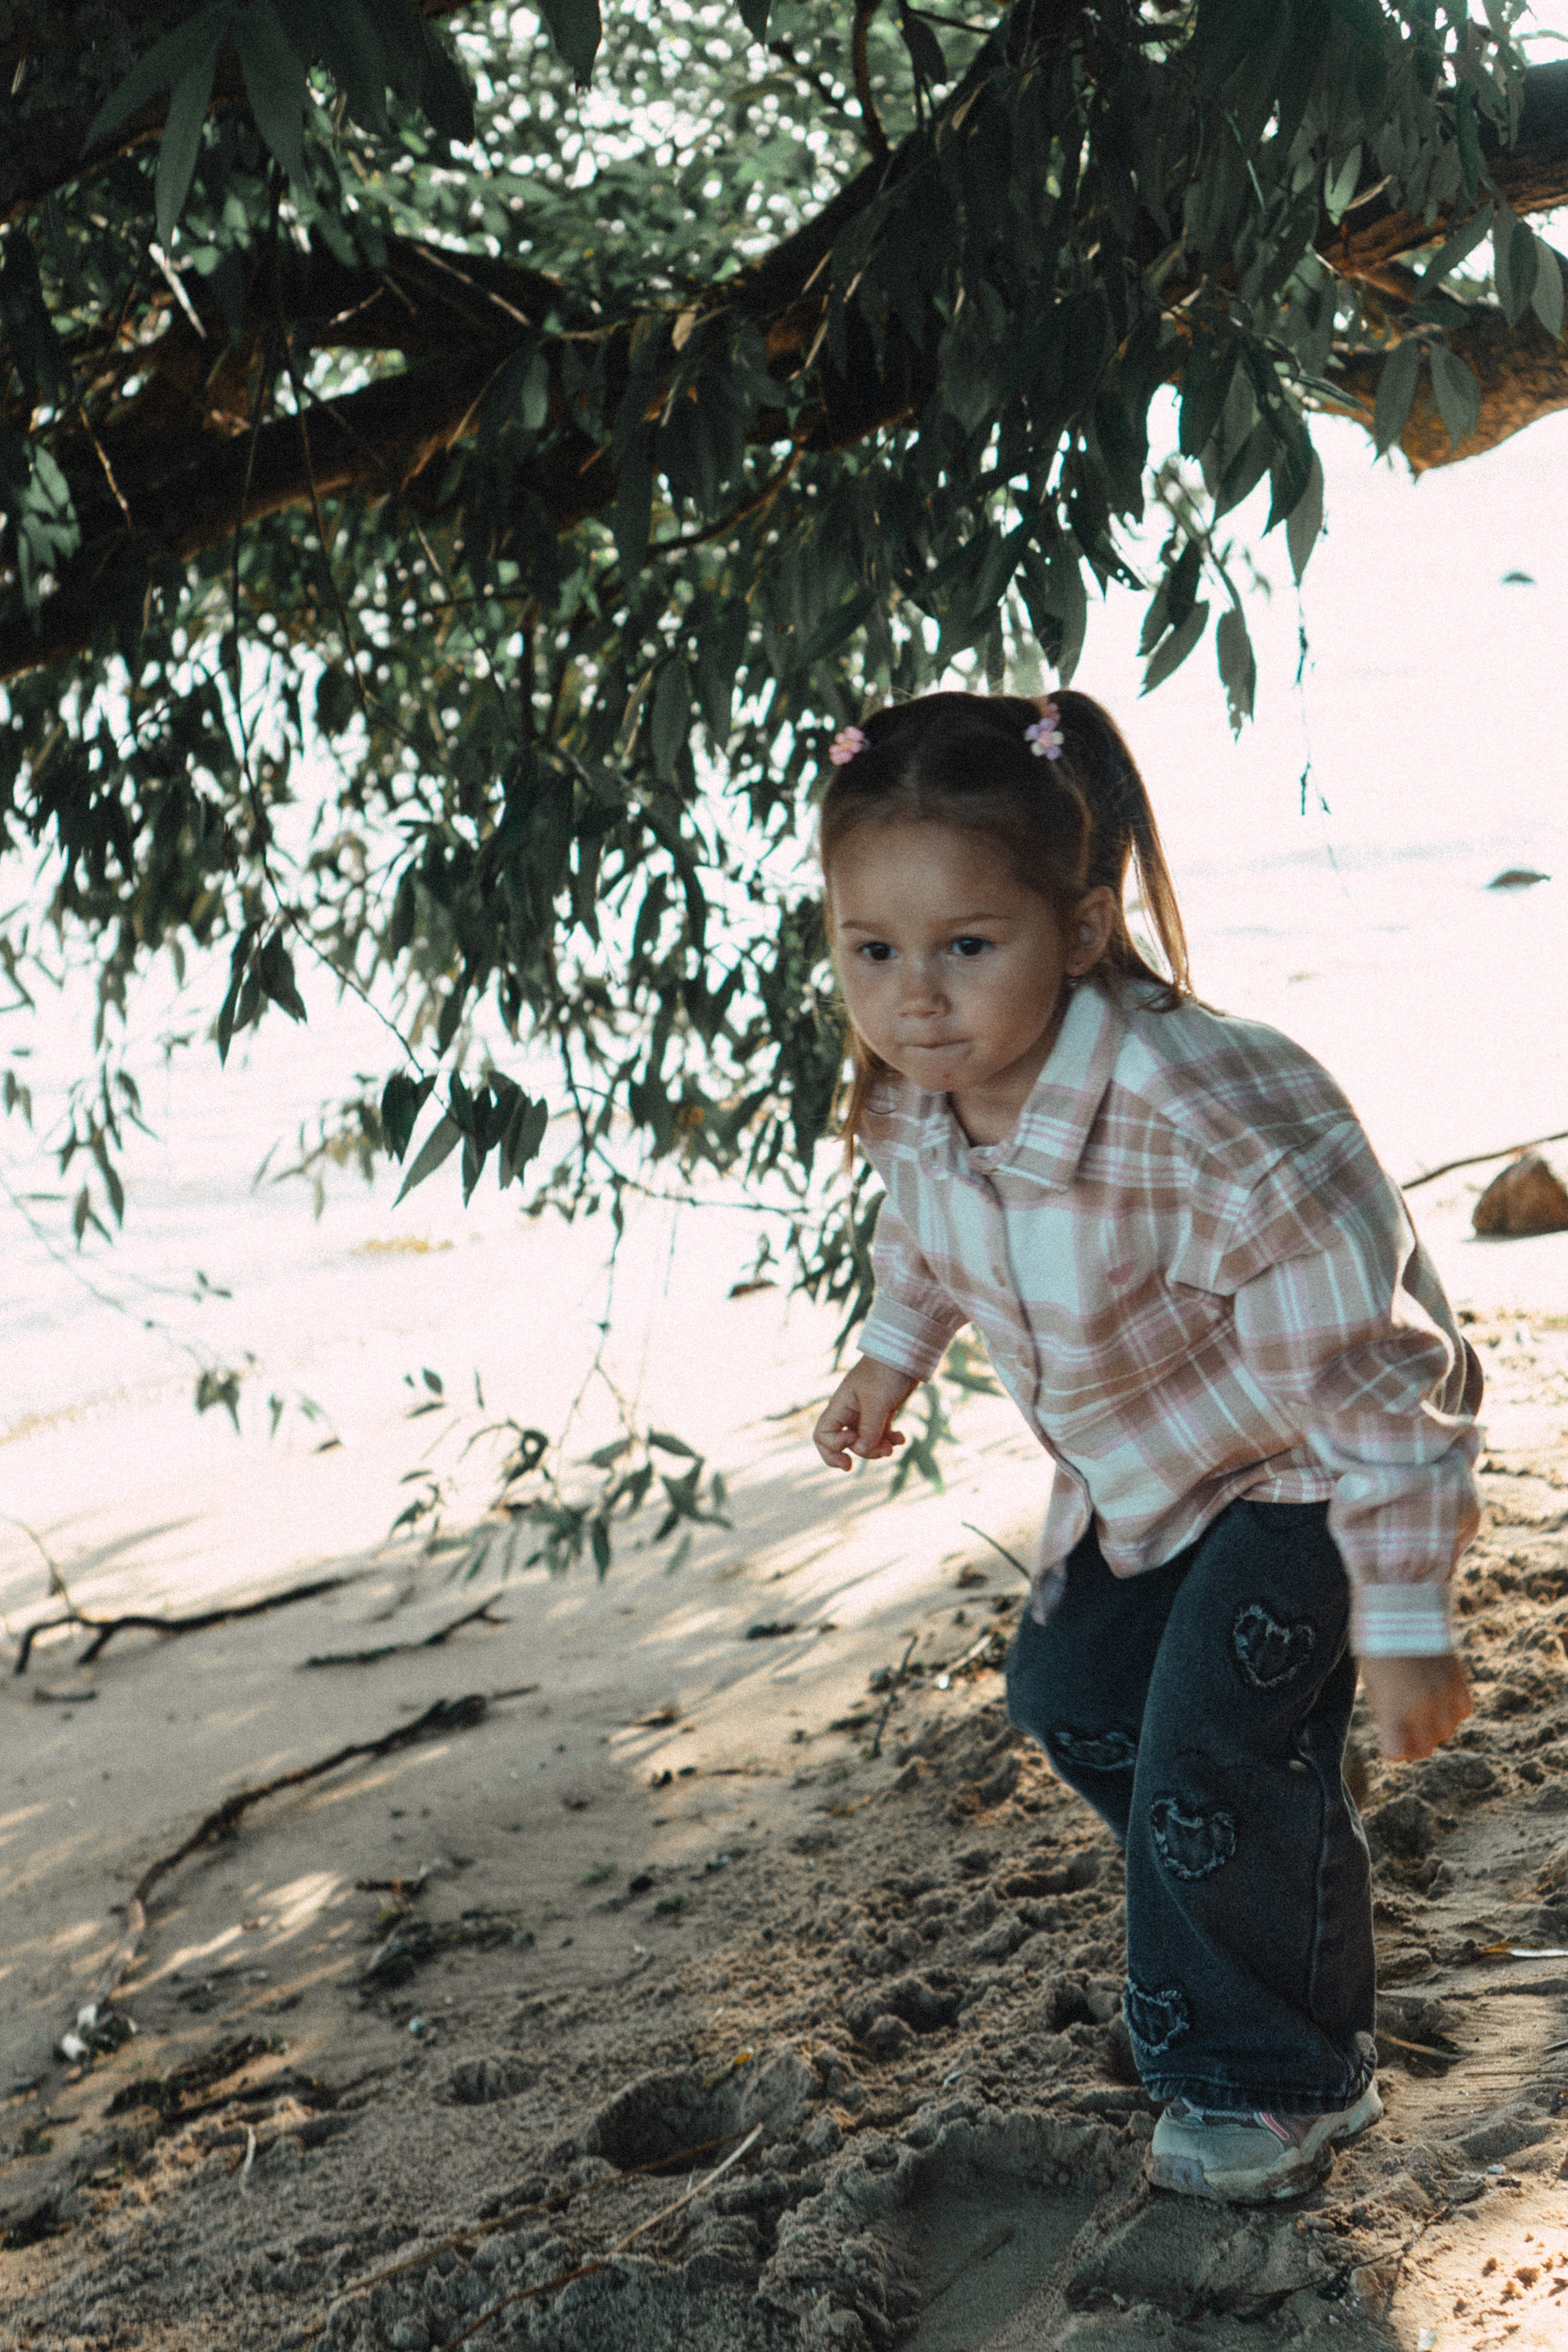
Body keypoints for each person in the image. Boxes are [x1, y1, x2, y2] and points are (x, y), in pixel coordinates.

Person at [810, 689, 1480, 2204]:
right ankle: (1254, 1841)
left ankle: (1278, 2083)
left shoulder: (1203, 1103)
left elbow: (1370, 1381)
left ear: (1083, 921)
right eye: (873, 950)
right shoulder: (921, 1100)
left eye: (965, 946)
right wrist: (884, 1359)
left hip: (1319, 1456)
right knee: (1071, 1694)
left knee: (1199, 1755)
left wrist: (1403, 1620)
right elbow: (922, 1241)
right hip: (1156, 1475)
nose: (914, 997)